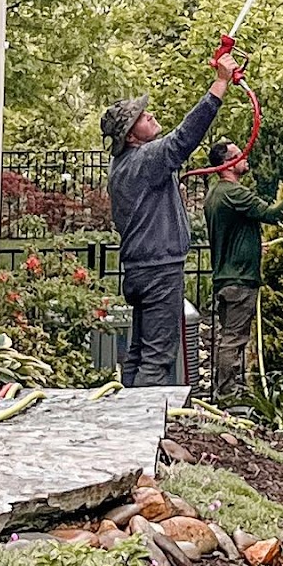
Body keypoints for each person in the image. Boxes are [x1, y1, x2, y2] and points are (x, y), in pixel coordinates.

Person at [102, 51, 239, 387]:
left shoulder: (123, 168)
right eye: (140, 116)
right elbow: (184, 138)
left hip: (139, 271)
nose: (149, 115)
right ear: (131, 137)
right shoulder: (146, 159)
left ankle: (126, 419)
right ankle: (142, 433)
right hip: (159, 271)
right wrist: (220, 84)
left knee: (138, 353)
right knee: (158, 357)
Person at [204, 140, 283, 402]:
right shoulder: (235, 193)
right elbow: (275, 215)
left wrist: (253, 245)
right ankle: (228, 395)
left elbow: (232, 232)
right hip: (239, 280)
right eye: (237, 154)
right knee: (233, 338)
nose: (244, 156)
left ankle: (227, 390)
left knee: (227, 336)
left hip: (225, 278)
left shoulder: (215, 194)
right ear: (226, 164)